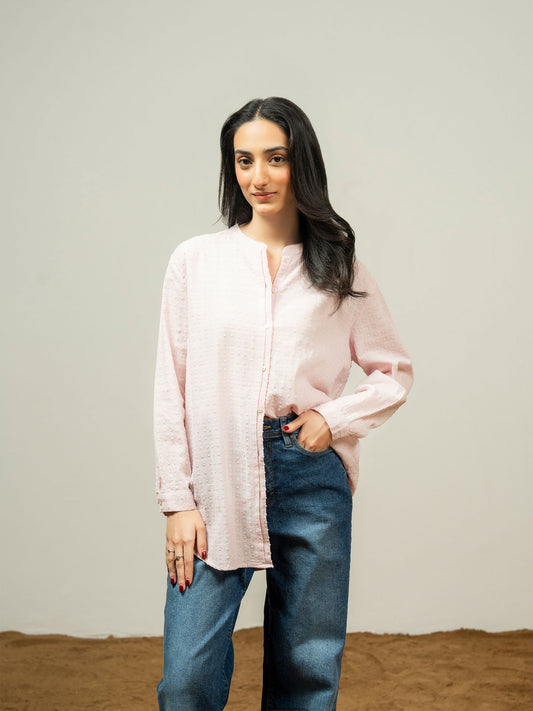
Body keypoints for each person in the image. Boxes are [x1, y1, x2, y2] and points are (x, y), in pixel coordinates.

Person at [153, 96, 414, 711]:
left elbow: (393, 372)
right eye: (244, 160)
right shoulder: (195, 262)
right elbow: (172, 386)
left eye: (276, 158)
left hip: (309, 474)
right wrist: (177, 501)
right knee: (186, 680)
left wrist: (332, 418)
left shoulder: (340, 267)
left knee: (307, 668)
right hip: (216, 477)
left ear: (303, 165)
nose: (259, 176)